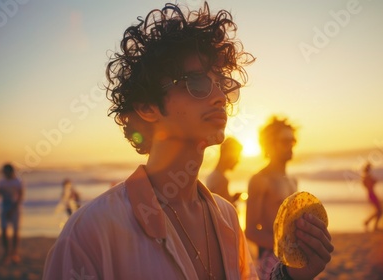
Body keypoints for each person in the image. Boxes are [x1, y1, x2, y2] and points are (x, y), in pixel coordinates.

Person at [43, 3, 333, 279]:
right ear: (147, 106)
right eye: (196, 82)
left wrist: (292, 275)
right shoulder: (91, 233)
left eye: (223, 83)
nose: (219, 96)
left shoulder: (227, 217)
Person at [245, 116, 302, 279]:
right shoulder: (260, 180)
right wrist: (283, 249)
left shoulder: (292, 180)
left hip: (293, 256)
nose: (290, 145)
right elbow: (250, 230)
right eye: (285, 141)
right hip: (272, 260)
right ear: (269, 144)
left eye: (293, 141)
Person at [0, 163, 24, 264]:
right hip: (4, 207)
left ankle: (14, 253)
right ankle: (6, 252)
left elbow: (21, 196)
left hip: (15, 208)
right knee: (4, 230)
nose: (4, 174)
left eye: (5, 172)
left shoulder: (17, 181)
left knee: (15, 231)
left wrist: (12, 209)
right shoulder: (1, 181)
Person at [206, 137, 243, 205]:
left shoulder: (213, 176)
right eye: (237, 156)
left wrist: (233, 198)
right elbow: (221, 212)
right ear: (227, 155)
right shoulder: (220, 180)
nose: (238, 161)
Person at [361, 162, 383, 231]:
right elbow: (373, 182)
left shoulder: (365, 177)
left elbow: (366, 184)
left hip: (370, 194)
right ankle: (371, 224)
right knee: (380, 210)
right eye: (370, 168)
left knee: (379, 211)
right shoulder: (367, 177)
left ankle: (368, 222)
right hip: (372, 194)